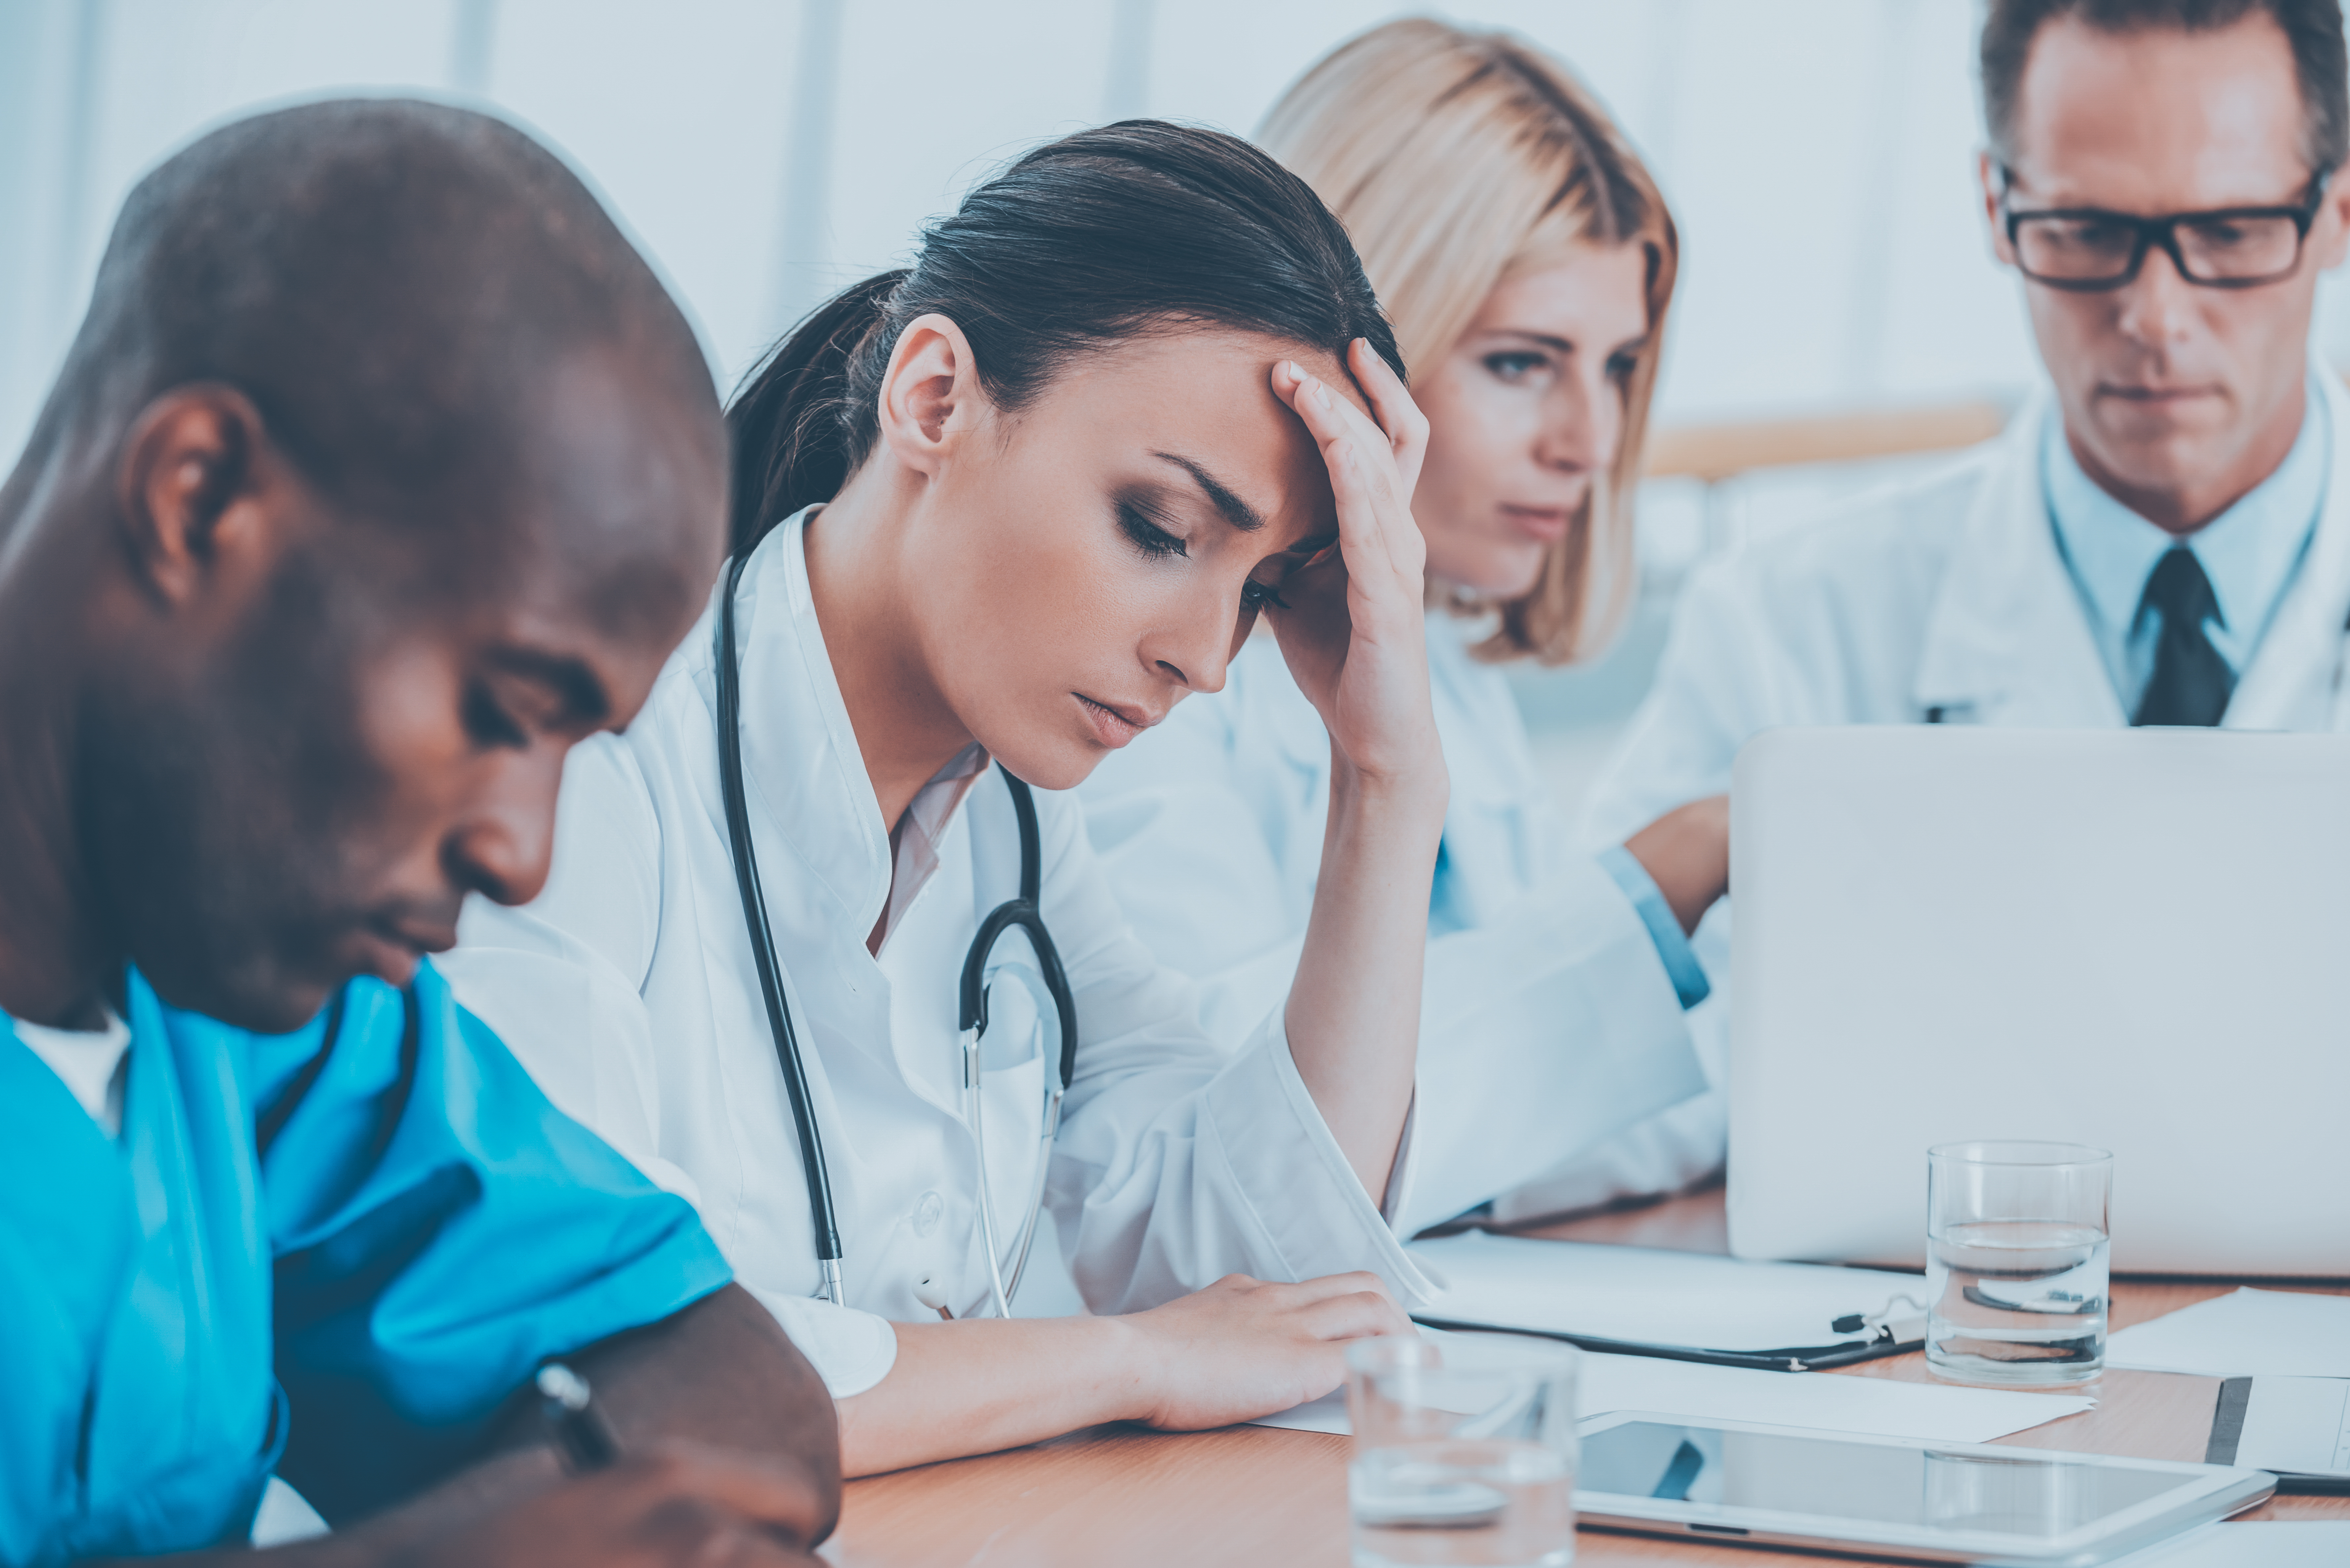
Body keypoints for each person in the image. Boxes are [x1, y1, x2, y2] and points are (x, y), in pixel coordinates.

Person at [441, 121, 1444, 1477]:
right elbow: (608, 1370)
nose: (1205, 659)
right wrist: (1130, 1360)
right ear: (932, 397)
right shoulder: (585, 762)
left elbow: (1274, 1281)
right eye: (1160, 529)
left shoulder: (1015, 829)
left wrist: (1387, 778)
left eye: (1260, 590)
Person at [0, 101, 841, 1565]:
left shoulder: (255, 1018)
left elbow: (739, 1392)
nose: (523, 854)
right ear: (197, 498)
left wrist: (575, 1506)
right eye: (504, 704)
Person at [1580, 0, 2350, 1196]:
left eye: (2233, 230)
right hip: (1937, 1347)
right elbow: (1598, 1080)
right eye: (2087, 231)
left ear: (2336, 211)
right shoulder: (1793, 623)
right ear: (1998, 209)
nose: (2154, 316)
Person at [1076, 19, 1725, 1232]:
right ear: (1352, 355)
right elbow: (1278, 1145)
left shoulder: (1452, 665)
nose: (1586, 441)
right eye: (1524, 364)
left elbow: (1568, 1111)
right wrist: (1659, 884)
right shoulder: (1139, 676)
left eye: (1620, 367)